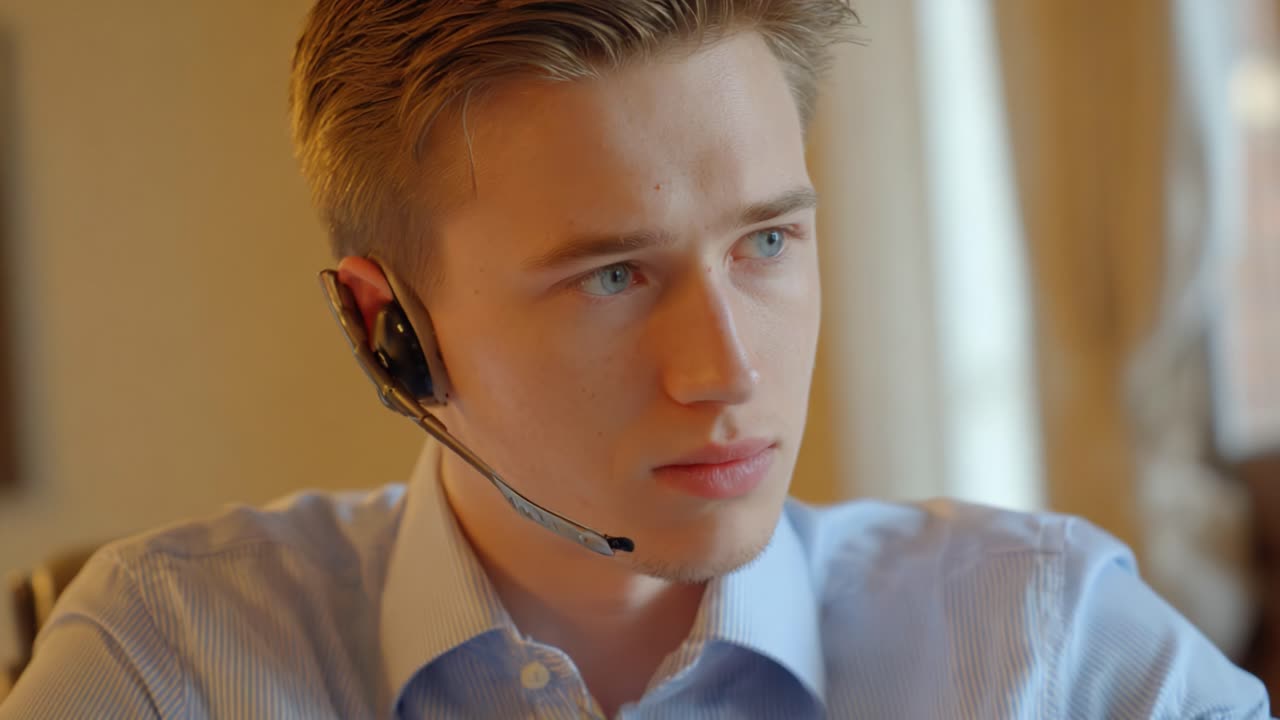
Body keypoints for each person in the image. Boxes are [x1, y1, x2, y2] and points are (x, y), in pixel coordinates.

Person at [1, 1, 1272, 717]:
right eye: (611, 275)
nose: (725, 369)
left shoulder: (1040, 647)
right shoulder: (165, 666)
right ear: (384, 330)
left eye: (766, 241)